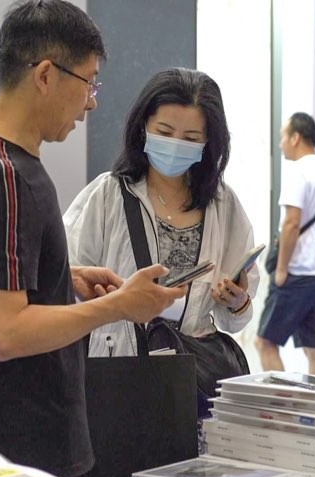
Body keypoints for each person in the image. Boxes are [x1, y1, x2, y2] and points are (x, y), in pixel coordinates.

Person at [0, 0, 185, 477]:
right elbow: (5, 333)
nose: (91, 103)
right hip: (24, 458)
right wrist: (119, 306)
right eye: (89, 82)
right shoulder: (5, 180)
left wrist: (61, 278)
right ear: (46, 75)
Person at [64, 67, 259, 360]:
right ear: (143, 126)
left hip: (194, 369)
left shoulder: (222, 203)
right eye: (165, 133)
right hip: (120, 363)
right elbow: (68, 283)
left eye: (191, 138)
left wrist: (237, 302)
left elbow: (235, 321)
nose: (176, 145)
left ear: (208, 142)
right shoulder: (108, 194)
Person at [255, 112, 315, 375]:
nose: (280, 144)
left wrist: (281, 269)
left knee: (265, 343)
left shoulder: (298, 172)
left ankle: (282, 400)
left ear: (295, 138)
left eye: (282, 137)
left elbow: (291, 223)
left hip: (297, 273)